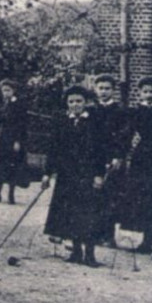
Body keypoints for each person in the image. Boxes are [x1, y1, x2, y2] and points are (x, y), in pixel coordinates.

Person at [43, 85, 105, 267]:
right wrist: (47, 174)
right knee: (70, 213)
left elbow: (99, 152)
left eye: (79, 101)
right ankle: (76, 252)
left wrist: (99, 175)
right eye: (71, 101)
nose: (75, 105)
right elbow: (53, 149)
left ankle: (90, 254)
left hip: (87, 175)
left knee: (88, 213)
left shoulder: (94, 123)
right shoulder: (62, 122)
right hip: (67, 175)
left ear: (86, 103)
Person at [119, 76, 152, 254]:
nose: (148, 95)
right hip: (141, 157)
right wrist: (122, 154)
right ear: (140, 93)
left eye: (151, 91)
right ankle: (143, 240)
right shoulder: (137, 112)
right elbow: (128, 134)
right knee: (140, 197)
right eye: (145, 91)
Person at [88, 73, 128, 246]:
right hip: (93, 158)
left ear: (113, 90)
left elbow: (124, 136)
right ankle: (93, 233)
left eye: (107, 88)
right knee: (93, 197)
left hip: (111, 158)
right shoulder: (90, 110)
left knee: (110, 197)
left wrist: (118, 156)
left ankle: (108, 235)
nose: (103, 92)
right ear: (95, 89)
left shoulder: (120, 111)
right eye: (101, 88)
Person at [0, 77, 29, 205]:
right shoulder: (2, 104)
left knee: (13, 166)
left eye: (8, 90)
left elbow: (22, 124)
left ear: (13, 91)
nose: (5, 93)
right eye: (3, 90)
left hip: (13, 139)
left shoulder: (19, 105)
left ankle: (11, 194)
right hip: (2, 139)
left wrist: (18, 141)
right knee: (0, 165)